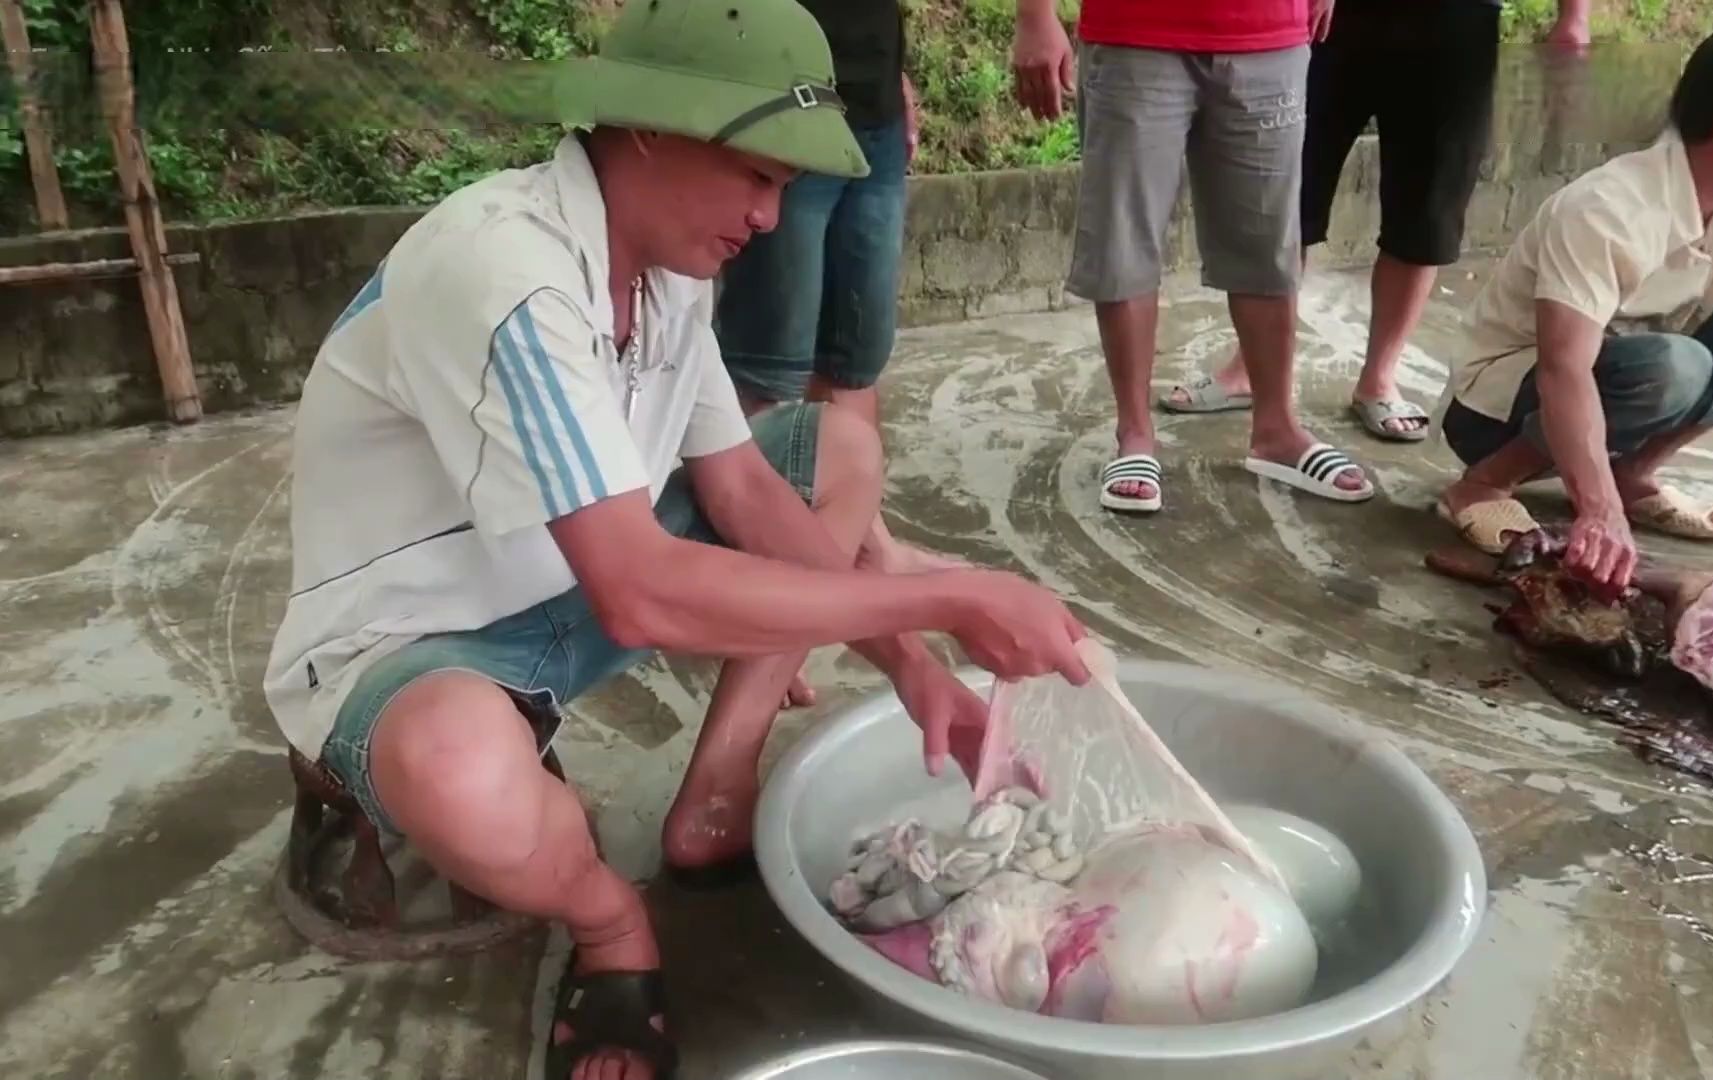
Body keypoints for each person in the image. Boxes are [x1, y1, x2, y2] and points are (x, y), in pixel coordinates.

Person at [261, 2, 1092, 1077]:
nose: (766, 218)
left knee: (831, 453)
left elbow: (743, 490)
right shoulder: (505, 270)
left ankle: (717, 787)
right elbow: (641, 595)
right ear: (650, 127)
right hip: (420, 639)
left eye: (784, 191)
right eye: (757, 177)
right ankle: (610, 929)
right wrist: (944, 597)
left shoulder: (665, 274)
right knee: (457, 767)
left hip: (571, 580)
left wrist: (913, 672)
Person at [1171, 0, 1594, 444]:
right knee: (1287, 196)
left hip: (1456, 22)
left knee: (1428, 210)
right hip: (1330, 18)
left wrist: (1574, 15)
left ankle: (1379, 378)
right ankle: (1251, 369)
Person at [1012, 0, 1376, 515]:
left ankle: (1277, 430)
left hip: (1271, 34)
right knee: (1124, 240)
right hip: (1134, 30)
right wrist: (1034, 13)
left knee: (1268, 244)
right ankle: (1134, 435)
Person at [715, 0, 959, 713]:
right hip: (775, 96)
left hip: (870, 102)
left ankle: (866, 553)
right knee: (769, 367)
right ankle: (759, 621)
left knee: (854, 356)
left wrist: (893, 73)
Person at [1435, 25, 1713, 596]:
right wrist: (1598, 514)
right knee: (1673, 365)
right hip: (1497, 415)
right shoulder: (1609, 207)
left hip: (1621, 400)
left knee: (1677, 362)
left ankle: (1632, 474)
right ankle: (1483, 485)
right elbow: (1562, 368)